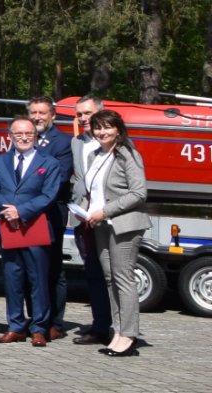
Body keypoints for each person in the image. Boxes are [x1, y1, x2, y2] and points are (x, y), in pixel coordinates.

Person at [74, 109, 150, 357]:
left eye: (107, 127)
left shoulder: (128, 154)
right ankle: (117, 331)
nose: (102, 132)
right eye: (98, 127)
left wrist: (105, 211)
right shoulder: (95, 155)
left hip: (124, 225)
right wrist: (83, 210)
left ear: (118, 128)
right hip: (100, 226)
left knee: (123, 278)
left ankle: (129, 336)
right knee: (109, 279)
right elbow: (92, 191)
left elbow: (139, 193)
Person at [0, 117, 62, 346]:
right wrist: (8, 212)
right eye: (18, 134)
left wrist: (21, 211)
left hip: (35, 226)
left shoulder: (49, 163)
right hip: (9, 227)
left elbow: (49, 196)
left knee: (38, 279)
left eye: (28, 133)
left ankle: (39, 327)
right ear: (10, 136)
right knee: (12, 278)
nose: (23, 137)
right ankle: (16, 326)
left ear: (36, 136)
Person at [30, 95, 76, 338]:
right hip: (24, 214)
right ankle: (35, 318)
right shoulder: (24, 138)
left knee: (52, 268)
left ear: (53, 116)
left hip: (50, 213)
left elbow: (57, 179)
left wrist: (25, 192)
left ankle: (55, 323)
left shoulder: (63, 143)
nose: (37, 117)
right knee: (29, 268)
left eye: (42, 113)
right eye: (33, 113)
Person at [68, 96, 113, 345]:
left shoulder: (114, 144)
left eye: (87, 113)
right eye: (79, 115)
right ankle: (99, 326)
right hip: (82, 220)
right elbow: (77, 178)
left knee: (112, 275)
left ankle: (121, 328)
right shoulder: (76, 142)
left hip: (107, 219)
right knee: (93, 274)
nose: (83, 118)